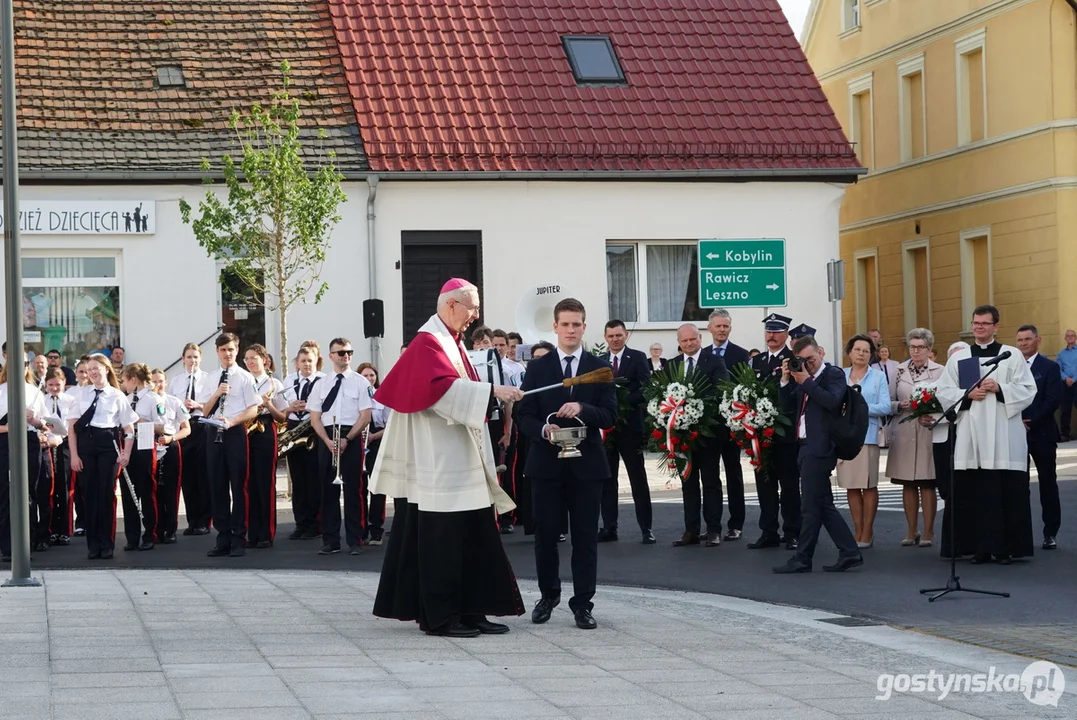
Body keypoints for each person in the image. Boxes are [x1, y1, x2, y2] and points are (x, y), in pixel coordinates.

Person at [371, 277, 524, 638]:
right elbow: (436, 390)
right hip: (439, 461)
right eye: (472, 308)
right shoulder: (428, 341)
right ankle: (442, 615)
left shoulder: (449, 340)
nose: (475, 316)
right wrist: (492, 390)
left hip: (461, 454)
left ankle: (473, 609)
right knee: (445, 540)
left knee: (475, 536)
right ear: (452, 305)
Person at [518, 298, 617, 630]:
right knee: (545, 536)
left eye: (577, 324)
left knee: (585, 538)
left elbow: (610, 416)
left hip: (586, 466)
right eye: (565, 324)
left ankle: (583, 604)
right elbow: (524, 414)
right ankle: (548, 596)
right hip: (546, 465)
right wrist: (544, 429)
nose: (571, 330)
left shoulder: (599, 368)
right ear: (555, 327)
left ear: (584, 327)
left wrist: (582, 408)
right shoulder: (538, 369)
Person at [936, 305, 1036, 564]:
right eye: (976, 322)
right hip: (971, 435)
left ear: (995, 326)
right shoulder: (960, 358)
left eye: (984, 323)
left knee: (1004, 492)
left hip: (1004, 434)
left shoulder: (1010, 355)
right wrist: (966, 395)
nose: (979, 327)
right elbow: (943, 391)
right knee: (974, 491)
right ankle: (977, 548)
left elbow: (1028, 389)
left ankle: (1004, 548)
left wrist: (1000, 388)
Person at [774, 335, 863, 574]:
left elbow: (833, 401)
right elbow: (787, 407)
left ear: (821, 353)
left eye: (811, 359)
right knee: (823, 505)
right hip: (803, 447)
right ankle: (850, 552)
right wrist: (786, 381)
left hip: (820, 448)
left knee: (810, 508)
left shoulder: (832, 374)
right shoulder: (804, 378)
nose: (807, 364)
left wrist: (806, 381)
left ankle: (803, 558)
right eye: (801, 360)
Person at [67, 353, 138, 560]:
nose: (92, 372)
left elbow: (129, 428)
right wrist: (74, 455)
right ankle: (93, 544)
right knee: (89, 496)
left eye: (96, 368)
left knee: (106, 495)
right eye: (89, 369)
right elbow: (72, 428)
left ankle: (107, 543)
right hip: (86, 446)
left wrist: (126, 452)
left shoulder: (117, 395)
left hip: (108, 446)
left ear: (106, 369)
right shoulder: (80, 394)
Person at [308, 337, 373, 556]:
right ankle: (331, 540)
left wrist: (348, 439)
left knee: (354, 490)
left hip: (351, 436)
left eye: (349, 352)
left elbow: (365, 416)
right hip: (327, 436)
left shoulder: (360, 382)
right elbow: (315, 417)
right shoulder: (321, 383)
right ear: (331, 356)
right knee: (328, 491)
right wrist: (327, 441)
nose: (346, 356)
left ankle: (356, 539)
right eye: (341, 353)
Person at [668, 323, 729, 547]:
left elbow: (722, 388)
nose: (689, 344)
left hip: (709, 433)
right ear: (679, 343)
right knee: (688, 481)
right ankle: (691, 530)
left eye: (692, 339)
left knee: (711, 481)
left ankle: (713, 530)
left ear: (700, 338)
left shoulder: (714, 361)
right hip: (682, 436)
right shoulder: (672, 365)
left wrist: (696, 407)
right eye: (684, 341)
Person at [201, 333, 261, 558]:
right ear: (217, 352)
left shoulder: (245, 377)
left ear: (237, 351)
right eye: (223, 350)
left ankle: (238, 537)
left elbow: (253, 408)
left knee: (239, 485)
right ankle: (222, 537)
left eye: (231, 350)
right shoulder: (211, 378)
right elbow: (204, 410)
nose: (227, 354)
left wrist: (233, 421)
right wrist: (217, 393)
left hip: (234, 432)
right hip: (213, 432)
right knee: (217, 486)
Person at [886, 328, 944, 547]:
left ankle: (929, 532)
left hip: (928, 429)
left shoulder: (941, 371)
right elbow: (889, 400)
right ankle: (912, 531)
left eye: (921, 347)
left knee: (927, 483)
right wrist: (899, 405)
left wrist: (930, 409)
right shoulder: (899, 371)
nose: (916, 351)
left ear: (929, 349)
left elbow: (947, 399)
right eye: (912, 346)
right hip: (904, 430)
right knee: (907, 483)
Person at [598, 320, 654, 544]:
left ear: (625, 335)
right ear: (605, 337)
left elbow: (646, 387)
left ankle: (646, 528)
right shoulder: (599, 361)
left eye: (618, 335)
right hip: (608, 429)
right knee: (607, 479)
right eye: (611, 336)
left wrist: (623, 402)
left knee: (637, 478)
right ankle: (609, 527)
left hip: (631, 426)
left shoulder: (638, 357)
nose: (615, 339)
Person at [747, 313, 800, 550]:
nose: (771, 335)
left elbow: (796, 397)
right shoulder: (757, 362)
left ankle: (792, 532)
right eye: (769, 331)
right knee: (765, 485)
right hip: (760, 435)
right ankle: (768, 531)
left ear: (786, 335)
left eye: (777, 331)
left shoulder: (794, 360)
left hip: (785, 435)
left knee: (789, 486)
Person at [835, 335, 890, 549]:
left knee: (868, 485)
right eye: (857, 349)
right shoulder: (840, 375)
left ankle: (868, 529)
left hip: (867, 436)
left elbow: (885, 406)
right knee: (851, 485)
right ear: (849, 352)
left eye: (866, 351)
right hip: (843, 437)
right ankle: (857, 528)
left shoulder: (877, 377)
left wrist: (860, 407)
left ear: (871, 355)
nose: (861, 354)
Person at [0, 353, 50, 560]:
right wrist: (7, 427)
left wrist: (36, 420)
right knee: (5, 493)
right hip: (5, 443)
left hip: (29, 443)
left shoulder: (34, 392)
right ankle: (6, 546)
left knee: (28, 493)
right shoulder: (1, 391)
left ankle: (25, 545)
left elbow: (48, 425)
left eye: (24, 364)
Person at [705, 309, 750, 541]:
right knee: (710, 477)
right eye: (718, 326)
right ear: (709, 328)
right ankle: (713, 526)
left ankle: (736, 524)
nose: (722, 330)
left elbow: (745, 387)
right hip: (708, 427)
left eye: (725, 326)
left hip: (732, 426)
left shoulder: (741, 354)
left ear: (730, 329)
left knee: (734, 475)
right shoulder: (701, 355)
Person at [1016, 325, 1062, 550]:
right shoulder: (1011, 367)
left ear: (1038, 340)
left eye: (1027, 339)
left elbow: (1053, 400)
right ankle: (1020, 535)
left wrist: (1031, 420)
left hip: (1042, 433)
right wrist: (1017, 421)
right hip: (1015, 432)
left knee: (1047, 483)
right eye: (1020, 340)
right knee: (1018, 485)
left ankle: (1050, 532)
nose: (1023, 343)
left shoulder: (1050, 367)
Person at [244, 344, 288, 549]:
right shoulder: (242, 381)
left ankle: (266, 533)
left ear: (264, 359)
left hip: (265, 428)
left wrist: (269, 405)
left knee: (265, 482)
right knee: (248, 483)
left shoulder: (275, 384)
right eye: (247, 359)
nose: (250, 362)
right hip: (245, 431)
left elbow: (283, 416)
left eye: (254, 357)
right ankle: (251, 532)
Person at [167, 343, 211, 536]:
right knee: (188, 476)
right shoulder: (175, 382)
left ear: (200, 358)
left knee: (203, 475)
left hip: (201, 425)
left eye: (195, 357)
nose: (192, 360)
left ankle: (204, 520)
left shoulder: (208, 379)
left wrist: (198, 404)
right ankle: (192, 520)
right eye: (189, 357)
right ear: (183, 358)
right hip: (183, 429)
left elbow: (213, 404)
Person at [282, 345, 324, 540]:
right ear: (297, 363)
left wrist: (310, 407)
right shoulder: (289, 381)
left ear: (316, 362)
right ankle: (300, 522)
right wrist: (290, 407)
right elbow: (281, 408)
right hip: (294, 427)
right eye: (303, 361)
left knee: (313, 478)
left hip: (313, 429)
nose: (306, 364)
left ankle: (315, 523)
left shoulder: (324, 380)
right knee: (297, 479)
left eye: (310, 361)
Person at [119, 364, 162, 551]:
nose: (123, 385)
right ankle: (132, 536)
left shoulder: (153, 399)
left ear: (133, 379)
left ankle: (150, 534)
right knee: (128, 492)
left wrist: (142, 422)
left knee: (147, 490)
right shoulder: (124, 400)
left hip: (144, 445)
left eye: (124, 380)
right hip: (127, 445)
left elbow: (163, 426)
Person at [149, 368, 190, 544]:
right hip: (152, 447)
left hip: (171, 445)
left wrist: (171, 438)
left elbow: (186, 428)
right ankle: (157, 528)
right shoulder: (147, 401)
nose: (158, 385)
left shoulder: (174, 401)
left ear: (166, 382)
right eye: (154, 381)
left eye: (160, 381)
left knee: (171, 489)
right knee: (154, 489)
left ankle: (171, 529)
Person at [43, 367, 76, 546]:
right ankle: (51, 529)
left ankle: (64, 529)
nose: (54, 388)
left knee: (64, 488)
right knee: (50, 486)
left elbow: (71, 423)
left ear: (64, 383)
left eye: (58, 384)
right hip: (47, 443)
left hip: (65, 444)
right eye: (51, 385)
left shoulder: (71, 400)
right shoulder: (42, 400)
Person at [358, 362, 388, 545]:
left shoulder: (382, 397)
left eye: (372, 376)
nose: (369, 379)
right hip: (358, 439)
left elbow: (390, 424)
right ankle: (360, 529)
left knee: (377, 487)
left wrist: (373, 436)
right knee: (359, 487)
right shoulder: (354, 396)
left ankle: (376, 529)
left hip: (376, 440)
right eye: (365, 376)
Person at [1057, 329, 1077, 441]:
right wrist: (1066, 378)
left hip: (1076, 382)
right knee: (1065, 409)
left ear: (1076, 338)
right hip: (1065, 384)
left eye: (1072, 336)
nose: (1070, 337)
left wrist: (1074, 379)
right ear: (1065, 338)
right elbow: (1058, 369)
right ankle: (1065, 434)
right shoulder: (1061, 354)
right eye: (1068, 336)